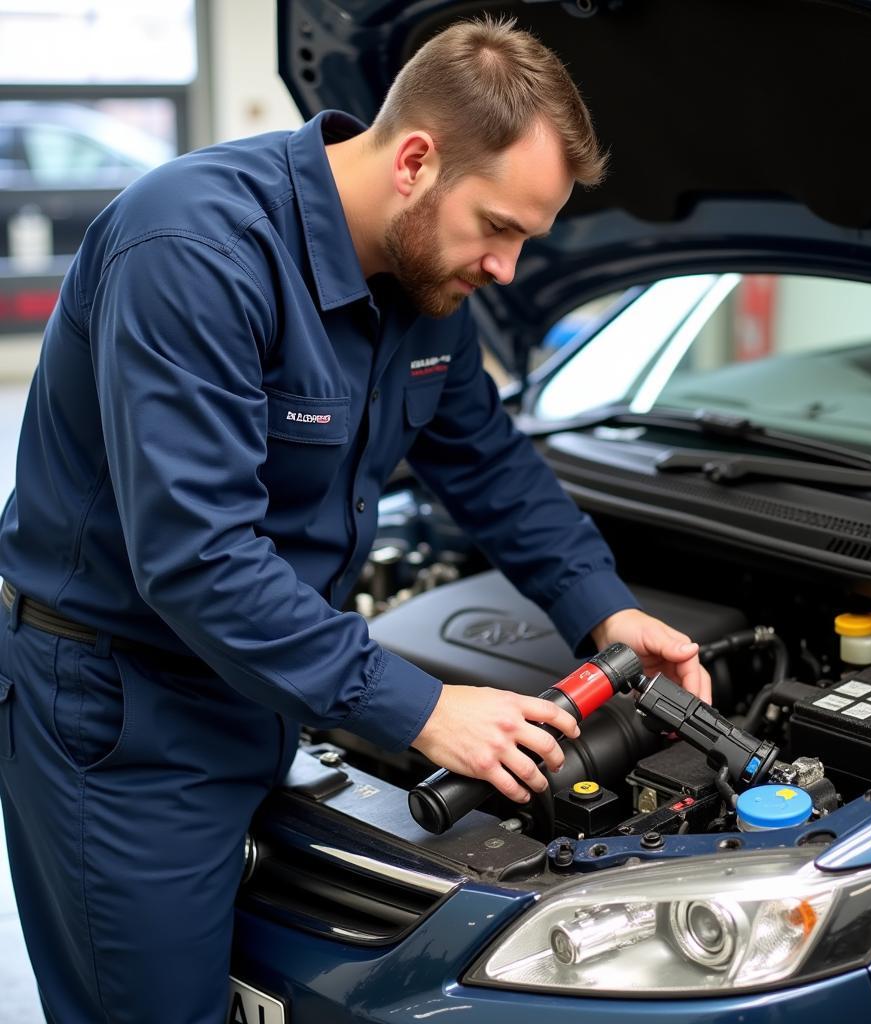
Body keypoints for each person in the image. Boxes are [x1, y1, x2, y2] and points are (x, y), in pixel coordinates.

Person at [0, 16, 710, 1023]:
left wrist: (605, 612)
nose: (506, 268)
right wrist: (422, 709)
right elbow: (198, 557)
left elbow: (488, 461)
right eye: (498, 226)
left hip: (271, 689)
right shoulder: (195, 250)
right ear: (415, 160)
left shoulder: (424, 283)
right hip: (124, 719)